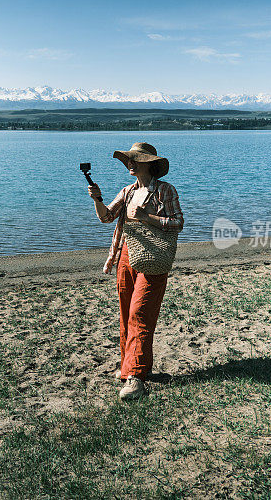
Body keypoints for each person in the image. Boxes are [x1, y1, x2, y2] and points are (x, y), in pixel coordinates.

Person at [88, 142, 184, 400]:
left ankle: (136, 379)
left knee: (140, 312)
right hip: (126, 256)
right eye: (128, 160)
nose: (130, 164)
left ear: (149, 164)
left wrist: (147, 217)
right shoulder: (128, 191)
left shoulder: (165, 191)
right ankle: (131, 368)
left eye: (135, 160)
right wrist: (97, 199)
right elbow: (107, 217)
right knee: (125, 314)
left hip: (153, 257)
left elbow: (177, 222)